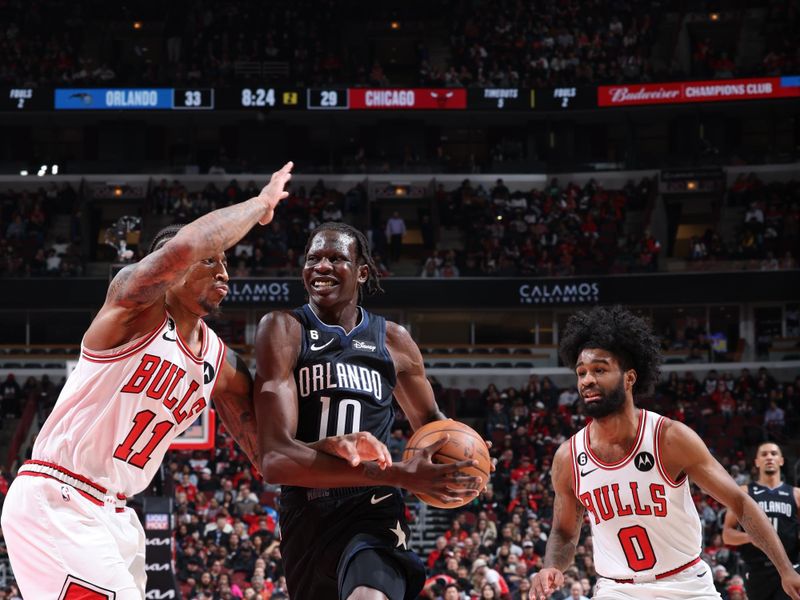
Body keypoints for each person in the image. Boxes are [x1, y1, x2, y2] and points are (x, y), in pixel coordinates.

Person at [0, 163, 386, 599]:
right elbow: (187, 245)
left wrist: (334, 447)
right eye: (211, 261)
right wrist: (261, 206)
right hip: (59, 495)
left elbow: (268, 456)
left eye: (225, 264)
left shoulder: (220, 363)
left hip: (118, 515)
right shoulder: (130, 309)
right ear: (172, 273)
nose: (224, 273)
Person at [254, 221, 482, 600]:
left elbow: (431, 424)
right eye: (313, 258)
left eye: (335, 258)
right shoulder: (283, 329)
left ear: (362, 272)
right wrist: (400, 474)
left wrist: (469, 455)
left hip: (373, 507)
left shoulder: (394, 340)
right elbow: (275, 458)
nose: (321, 266)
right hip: (307, 511)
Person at [530, 306, 800, 600]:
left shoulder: (669, 438)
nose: (587, 380)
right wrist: (551, 565)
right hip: (616, 589)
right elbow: (565, 533)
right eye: (581, 372)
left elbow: (741, 503)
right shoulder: (568, 457)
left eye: (600, 370)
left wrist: (785, 569)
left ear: (629, 378)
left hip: (686, 585)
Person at [723, 442, 800, 600]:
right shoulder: (744, 492)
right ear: (757, 462)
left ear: (781, 460)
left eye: (773, 453)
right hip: (757, 569)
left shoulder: (796, 494)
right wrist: (751, 537)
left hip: (790, 567)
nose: (769, 457)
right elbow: (727, 535)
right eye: (764, 454)